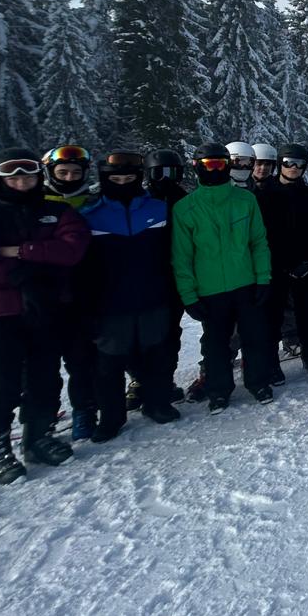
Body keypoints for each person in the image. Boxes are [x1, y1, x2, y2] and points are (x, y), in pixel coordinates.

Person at [0, 149, 90, 483]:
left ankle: (38, 435)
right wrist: (25, 272)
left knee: (45, 378)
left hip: (46, 308)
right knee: (4, 384)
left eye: (27, 176)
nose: (20, 182)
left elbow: (72, 249)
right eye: (12, 176)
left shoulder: (56, 212)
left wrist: (19, 251)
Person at [78, 151, 180, 440]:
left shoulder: (159, 209)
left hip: (154, 295)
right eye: (116, 179)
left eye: (128, 178)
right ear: (104, 179)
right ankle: (111, 417)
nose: (122, 183)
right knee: (109, 362)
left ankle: (157, 403)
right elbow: (82, 266)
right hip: (110, 302)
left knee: (157, 354)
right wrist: (86, 303)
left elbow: (174, 251)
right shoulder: (90, 214)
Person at [171, 142, 275, 410]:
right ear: (197, 167)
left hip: (246, 283)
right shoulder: (185, 208)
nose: (215, 170)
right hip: (211, 289)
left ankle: (258, 382)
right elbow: (182, 257)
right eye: (208, 165)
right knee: (215, 344)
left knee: (254, 337)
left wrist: (263, 278)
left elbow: (258, 242)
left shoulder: (245, 200)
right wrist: (189, 296)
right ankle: (218, 389)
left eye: (220, 164)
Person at [41, 144, 98, 440]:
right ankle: (42, 419)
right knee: (42, 364)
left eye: (75, 172)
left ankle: (84, 411)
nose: (69, 177)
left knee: (83, 360)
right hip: (43, 296)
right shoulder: (36, 205)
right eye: (62, 172)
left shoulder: (94, 203)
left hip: (84, 293)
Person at [257, 143, 308, 375]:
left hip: (306, 266)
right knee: (272, 317)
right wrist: (282, 264)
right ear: (280, 164)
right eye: (288, 163)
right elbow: (262, 235)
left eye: (299, 164)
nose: (294, 168)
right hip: (276, 267)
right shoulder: (264, 195)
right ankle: (272, 364)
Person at [143, 148, 190, 404]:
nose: (165, 179)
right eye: (158, 173)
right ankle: (139, 380)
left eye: (171, 173)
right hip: (147, 277)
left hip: (175, 276)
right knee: (142, 333)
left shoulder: (185, 201)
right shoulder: (141, 201)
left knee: (170, 331)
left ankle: (165, 379)